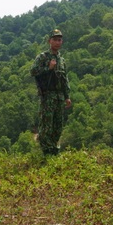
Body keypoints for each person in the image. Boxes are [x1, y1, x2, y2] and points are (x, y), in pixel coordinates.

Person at [30, 29, 72, 157]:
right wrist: (48, 68)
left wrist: (67, 96)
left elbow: (64, 79)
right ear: (49, 41)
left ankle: (55, 150)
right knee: (46, 126)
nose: (58, 42)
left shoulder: (61, 60)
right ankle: (47, 152)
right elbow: (33, 71)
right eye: (55, 39)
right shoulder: (43, 57)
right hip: (47, 96)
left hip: (59, 97)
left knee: (58, 126)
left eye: (60, 40)